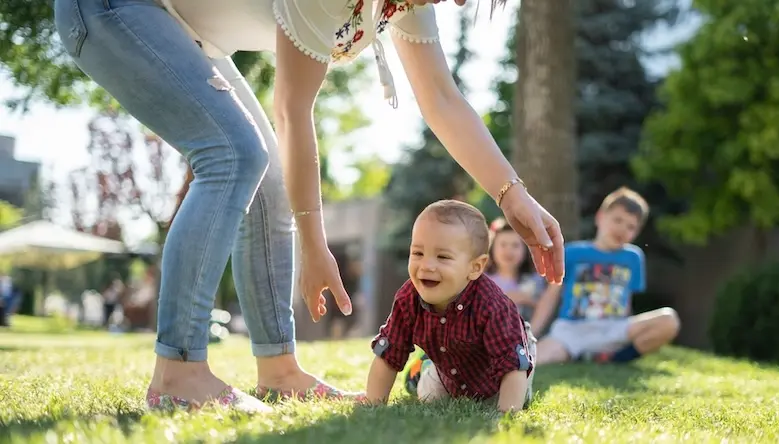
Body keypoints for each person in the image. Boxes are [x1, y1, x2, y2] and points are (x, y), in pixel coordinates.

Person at [53, 0, 563, 413]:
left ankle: (278, 370)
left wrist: (512, 195)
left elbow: (442, 100)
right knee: (235, 153)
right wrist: (314, 246)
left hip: (187, 30)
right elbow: (293, 111)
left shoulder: (410, 2)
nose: (459, 2)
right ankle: (179, 372)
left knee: (268, 173)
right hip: (114, 9)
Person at [364, 200, 536, 412]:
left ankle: (424, 367)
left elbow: (512, 366)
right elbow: (388, 353)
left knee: (517, 399)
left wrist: (506, 415)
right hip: (450, 371)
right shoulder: (408, 299)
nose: (426, 266)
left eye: (443, 257)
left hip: (501, 372)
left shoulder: (493, 305)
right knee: (430, 397)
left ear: (475, 267)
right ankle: (422, 370)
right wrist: (372, 405)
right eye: (418, 253)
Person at [530, 187, 681, 365]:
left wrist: (627, 331)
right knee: (535, 359)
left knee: (669, 320)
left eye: (631, 226)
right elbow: (550, 297)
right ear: (600, 217)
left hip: (613, 329)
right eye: (617, 220)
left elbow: (627, 302)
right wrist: (532, 333)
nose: (622, 229)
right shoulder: (572, 252)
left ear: (637, 232)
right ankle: (581, 354)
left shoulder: (633, 257)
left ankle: (614, 358)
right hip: (572, 330)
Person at [486, 218, 546, 323]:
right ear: (492, 249)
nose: (509, 251)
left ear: (526, 250)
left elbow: (547, 307)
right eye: (503, 245)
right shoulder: (483, 280)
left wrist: (527, 300)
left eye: (515, 245)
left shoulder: (536, 279)